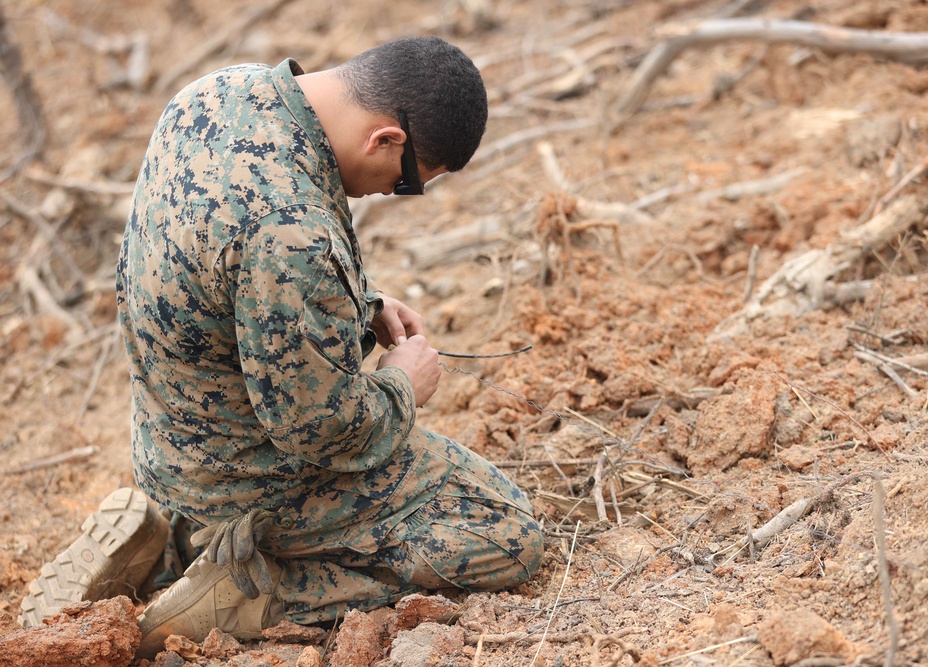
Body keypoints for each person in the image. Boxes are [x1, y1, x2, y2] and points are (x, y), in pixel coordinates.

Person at [20, 36, 544, 658]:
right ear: (385, 140)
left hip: (168, 441)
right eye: (407, 181)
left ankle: (167, 534)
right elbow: (323, 432)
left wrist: (362, 305)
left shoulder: (219, 93)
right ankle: (251, 587)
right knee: (505, 531)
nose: (388, 192)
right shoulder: (290, 230)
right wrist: (404, 383)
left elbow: (216, 273)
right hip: (243, 472)